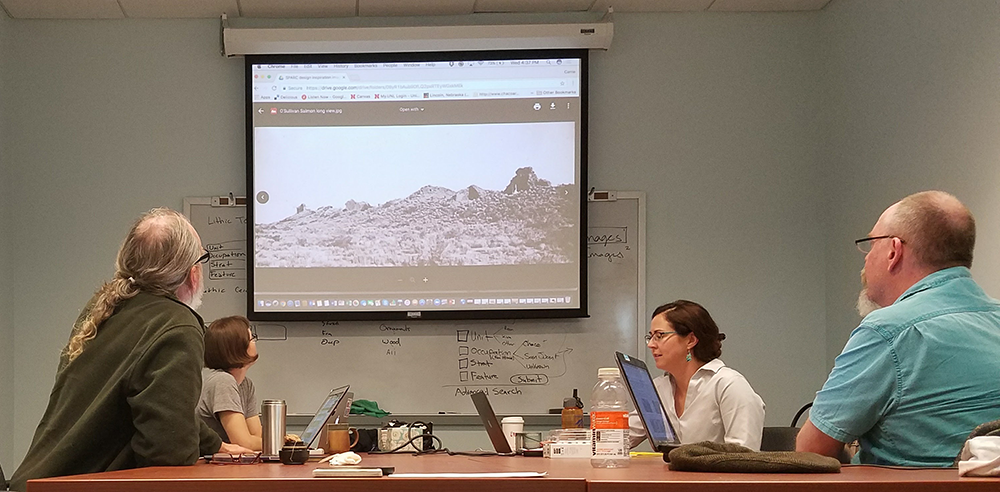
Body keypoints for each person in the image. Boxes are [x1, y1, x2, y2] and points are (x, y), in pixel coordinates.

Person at [10, 208, 251, 491]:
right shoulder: (177, 326)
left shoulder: (106, 306)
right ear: (192, 273)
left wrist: (215, 445)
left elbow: (163, 412)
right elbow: (168, 454)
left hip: (41, 480)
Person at [797, 191, 1000, 466]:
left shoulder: (888, 332)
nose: (866, 259)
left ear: (894, 251)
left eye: (870, 245)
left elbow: (811, 452)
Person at [629, 300, 765, 450]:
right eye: (651, 336)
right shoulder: (658, 388)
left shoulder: (729, 385)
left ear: (691, 340)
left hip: (718, 474)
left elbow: (743, 456)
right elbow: (619, 438)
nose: (651, 344)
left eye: (659, 335)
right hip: (673, 473)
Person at [197, 316, 262, 451]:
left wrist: (276, 443)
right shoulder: (222, 381)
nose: (255, 342)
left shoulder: (245, 384)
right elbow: (243, 443)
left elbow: (257, 437)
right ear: (236, 348)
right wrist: (282, 443)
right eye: (251, 338)